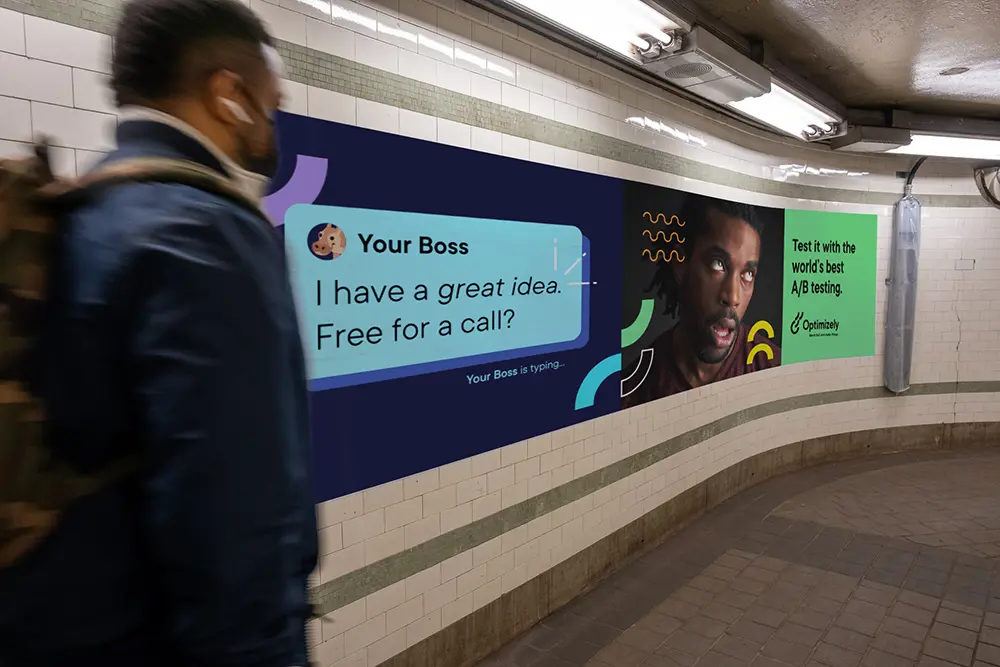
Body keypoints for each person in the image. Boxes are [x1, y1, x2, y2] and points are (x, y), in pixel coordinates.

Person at [0, 1, 318, 665]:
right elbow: (233, 521)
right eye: (271, 101)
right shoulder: (205, 233)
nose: (274, 118)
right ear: (229, 96)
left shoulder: (84, 212)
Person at [625, 194, 780, 406]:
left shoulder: (776, 371)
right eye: (718, 264)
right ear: (681, 265)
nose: (733, 297)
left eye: (747, 274)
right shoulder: (634, 390)